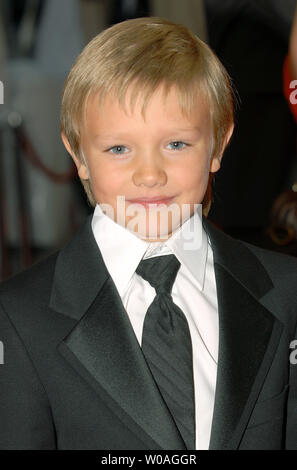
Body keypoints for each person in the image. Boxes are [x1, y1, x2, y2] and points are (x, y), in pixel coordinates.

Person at [1, 16, 297, 451]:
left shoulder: (287, 291)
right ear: (79, 154)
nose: (150, 175)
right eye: (119, 148)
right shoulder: (18, 318)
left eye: (175, 144)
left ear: (218, 143)